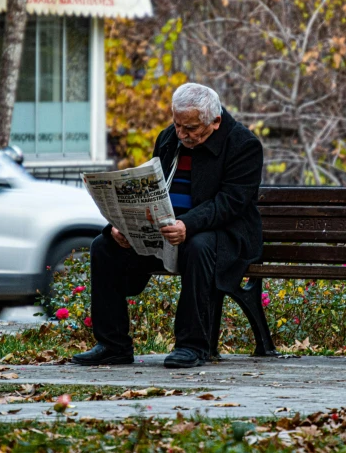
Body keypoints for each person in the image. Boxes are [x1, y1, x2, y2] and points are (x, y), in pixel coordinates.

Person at [72, 83, 264, 368]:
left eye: (191, 129)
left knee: (199, 246)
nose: (182, 135)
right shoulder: (168, 139)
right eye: (178, 125)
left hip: (224, 235)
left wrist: (187, 224)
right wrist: (123, 225)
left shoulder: (243, 144)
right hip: (165, 230)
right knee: (104, 245)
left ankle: (192, 345)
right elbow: (152, 188)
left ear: (215, 121)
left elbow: (230, 202)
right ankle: (113, 345)